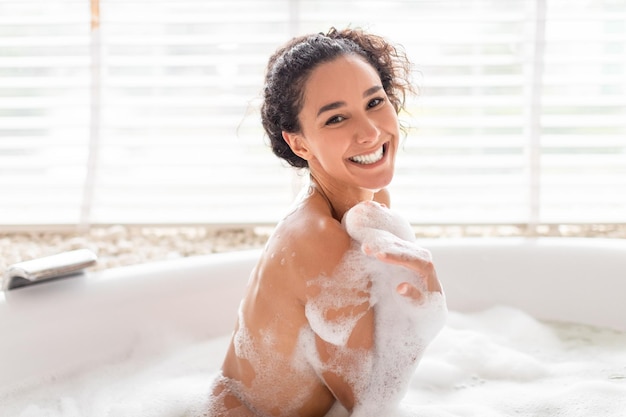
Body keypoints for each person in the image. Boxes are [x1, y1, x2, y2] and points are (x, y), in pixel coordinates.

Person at [206, 27, 446, 417]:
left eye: (374, 102)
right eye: (336, 118)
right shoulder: (317, 238)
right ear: (299, 143)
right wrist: (427, 307)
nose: (369, 132)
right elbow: (371, 402)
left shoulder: (370, 206)